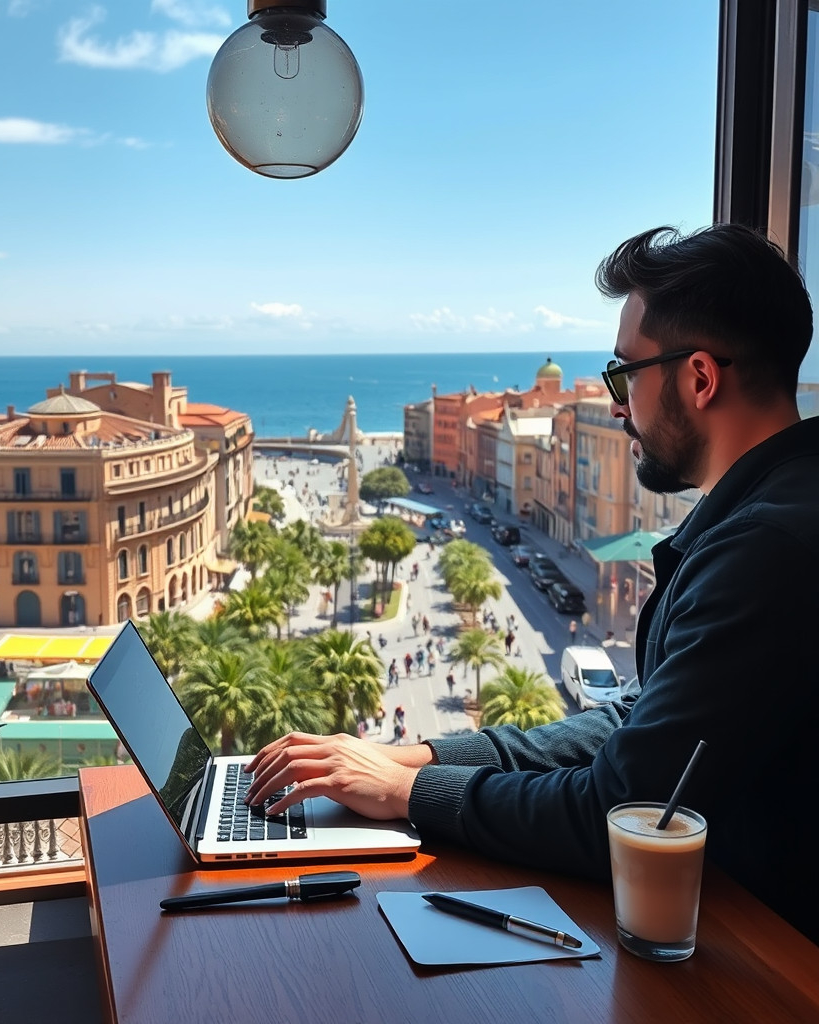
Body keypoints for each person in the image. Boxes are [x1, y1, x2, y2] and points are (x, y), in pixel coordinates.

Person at [244, 224, 819, 944]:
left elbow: (615, 812)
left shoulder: (769, 549)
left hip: (768, 970)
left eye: (624, 374)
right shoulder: (774, 507)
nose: (617, 404)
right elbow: (634, 727)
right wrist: (418, 756)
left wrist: (406, 793)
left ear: (700, 377)